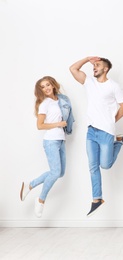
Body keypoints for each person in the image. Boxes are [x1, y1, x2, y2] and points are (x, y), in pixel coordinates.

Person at [69, 56, 123, 217]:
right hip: (91, 131)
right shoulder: (89, 82)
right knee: (92, 166)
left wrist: (112, 120)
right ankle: (97, 198)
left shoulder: (114, 86)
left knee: (106, 165)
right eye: (93, 65)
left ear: (106, 69)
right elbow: (73, 69)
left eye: (98, 65)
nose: (94, 67)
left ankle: (119, 141)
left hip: (107, 131)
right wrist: (87, 58)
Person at [20, 76, 74, 218]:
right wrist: (58, 124)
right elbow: (40, 125)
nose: (46, 88)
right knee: (55, 172)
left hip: (61, 140)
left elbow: (69, 117)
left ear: (53, 85)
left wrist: (66, 127)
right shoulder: (45, 104)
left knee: (59, 173)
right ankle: (41, 199)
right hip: (51, 141)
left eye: (48, 85)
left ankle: (30, 185)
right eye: (43, 87)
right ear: (40, 90)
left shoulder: (62, 100)